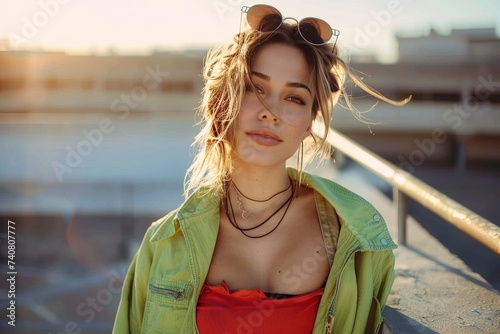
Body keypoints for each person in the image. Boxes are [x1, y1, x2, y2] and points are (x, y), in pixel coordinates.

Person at [113, 4, 409, 334]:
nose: (271, 112)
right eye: (255, 89)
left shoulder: (358, 238)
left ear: (310, 121)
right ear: (221, 101)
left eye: (295, 98)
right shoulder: (164, 243)